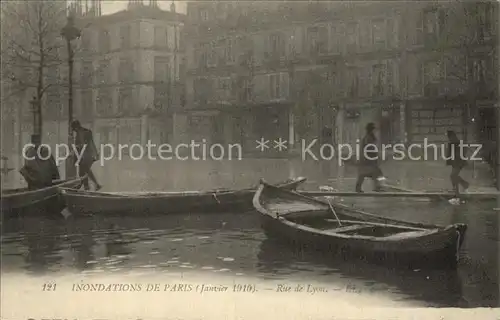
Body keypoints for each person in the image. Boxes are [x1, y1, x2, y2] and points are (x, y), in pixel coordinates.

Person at [71, 120, 102, 191]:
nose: (74, 131)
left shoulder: (81, 133)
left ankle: (89, 186)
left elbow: (83, 145)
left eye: (73, 129)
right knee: (83, 171)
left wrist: (76, 147)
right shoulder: (85, 131)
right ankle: (86, 186)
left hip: (85, 155)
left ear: (76, 127)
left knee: (85, 170)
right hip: (86, 154)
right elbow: (91, 143)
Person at [355, 123, 385, 193]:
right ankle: (377, 187)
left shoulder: (369, 137)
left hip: (368, 160)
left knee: (366, 174)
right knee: (374, 173)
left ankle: (376, 187)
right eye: (374, 129)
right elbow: (370, 148)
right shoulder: (368, 138)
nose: (375, 131)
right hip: (368, 160)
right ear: (371, 130)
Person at [445, 130, 469, 196]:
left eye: (449, 136)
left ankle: (458, 190)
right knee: (453, 176)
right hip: (456, 163)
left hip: (458, 163)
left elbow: (458, 154)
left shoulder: (455, 142)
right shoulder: (454, 142)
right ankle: (460, 188)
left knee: (453, 176)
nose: (448, 138)